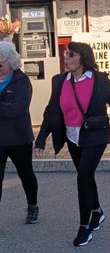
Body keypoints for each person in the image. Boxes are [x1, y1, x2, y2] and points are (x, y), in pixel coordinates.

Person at [34, 42, 110, 247]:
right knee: (87, 176)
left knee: (82, 176)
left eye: (71, 55)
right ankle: (97, 211)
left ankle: (84, 227)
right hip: (72, 137)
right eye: (65, 54)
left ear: (83, 58)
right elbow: (51, 111)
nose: (66, 58)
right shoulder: (59, 81)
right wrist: (40, 140)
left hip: (94, 136)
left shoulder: (99, 81)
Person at [0, 42, 38, 225]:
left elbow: (18, 109)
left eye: (1, 63)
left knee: (26, 173)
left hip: (18, 138)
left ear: (11, 62)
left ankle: (32, 205)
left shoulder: (21, 81)